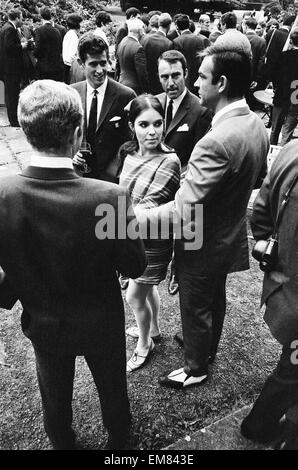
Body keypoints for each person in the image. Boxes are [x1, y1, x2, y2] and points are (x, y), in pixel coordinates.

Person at [0, 79, 147, 450]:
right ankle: (119, 440)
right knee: (113, 388)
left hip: (45, 322)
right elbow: (135, 265)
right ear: (79, 133)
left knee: (53, 395)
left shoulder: (4, 194)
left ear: (24, 128)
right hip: (101, 320)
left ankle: (62, 441)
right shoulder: (109, 197)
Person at [135, 45, 269, 389]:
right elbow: (255, 178)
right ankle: (205, 347)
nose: (195, 83)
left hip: (202, 240)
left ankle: (195, 368)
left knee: (195, 304)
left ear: (221, 83)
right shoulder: (255, 123)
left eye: (202, 76)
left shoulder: (216, 141)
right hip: (228, 232)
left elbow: (183, 210)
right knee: (215, 297)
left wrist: (138, 215)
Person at [241, 140, 298, 450]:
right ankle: (263, 427)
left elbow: (261, 211)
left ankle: (259, 425)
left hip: (283, 290)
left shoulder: (291, 149)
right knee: (292, 372)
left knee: (291, 367)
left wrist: (272, 248)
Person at [119, 94, 180, 372]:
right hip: (131, 234)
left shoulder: (170, 161)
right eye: (144, 124)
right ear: (132, 125)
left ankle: (145, 344)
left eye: (158, 123)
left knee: (134, 295)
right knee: (146, 288)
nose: (152, 131)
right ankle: (153, 330)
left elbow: (154, 206)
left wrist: (121, 221)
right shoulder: (128, 154)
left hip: (154, 240)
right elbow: (124, 196)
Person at [155, 49, 212, 297]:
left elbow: (201, 155)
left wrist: (180, 176)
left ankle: (178, 270)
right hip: (157, 186)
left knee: (185, 236)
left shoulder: (200, 109)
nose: (170, 83)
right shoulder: (154, 103)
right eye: (164, 76)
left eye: (175, 75)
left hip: (184, 188)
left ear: (186, 74)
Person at [71, 33, 136, 182]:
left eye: (103, 63)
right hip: (79, 178)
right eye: (93, 64)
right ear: (81, 63)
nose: (100, 70)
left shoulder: (125, 95)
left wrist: (113, 172)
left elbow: (132, 141)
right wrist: (71, 154)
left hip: (112, 180)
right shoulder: (72, 93)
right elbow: (63, 134)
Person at [0, 8, 25, 126]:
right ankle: (14, 120)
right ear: (16, 18)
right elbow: (9, 47)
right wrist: (22, 46)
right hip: (11, 68)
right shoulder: (10, 29)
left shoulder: (6, 27)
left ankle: (13, 118)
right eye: (21, 17)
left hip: (7, 67)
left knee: (10, 93)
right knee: (12, 94)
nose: (22, 20)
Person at [173, 15, 208, 95]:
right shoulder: (199, 40)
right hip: (197, 78)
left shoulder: (176, 41)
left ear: (177, 27)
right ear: (189, 25)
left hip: (183, 79)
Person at [141, 13, 173, 95]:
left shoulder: (145, 38)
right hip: (159, 85)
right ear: (169, 25)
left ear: (159, 24)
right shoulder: (168, 43)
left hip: (145, 82)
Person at [117, 18, 149, 95]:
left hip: (121, 83)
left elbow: (118, 65)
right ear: (140, 31)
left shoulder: (123, 41)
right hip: (134, 87)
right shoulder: (138, 48)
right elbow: (142, 73)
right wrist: (146, 91)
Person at [34, 6, 64, 81]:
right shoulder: (57, 31)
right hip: (56, 67)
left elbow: (38, 50)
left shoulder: (39, 30)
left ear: (41, 17)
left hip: (44, 67)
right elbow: (60, 48)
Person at [62, 13, 83, 84]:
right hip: (70, 67)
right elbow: (72, 55)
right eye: (81, 23)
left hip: (67, 65)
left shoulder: (70, 34)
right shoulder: (72, 36)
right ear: (77, 24)